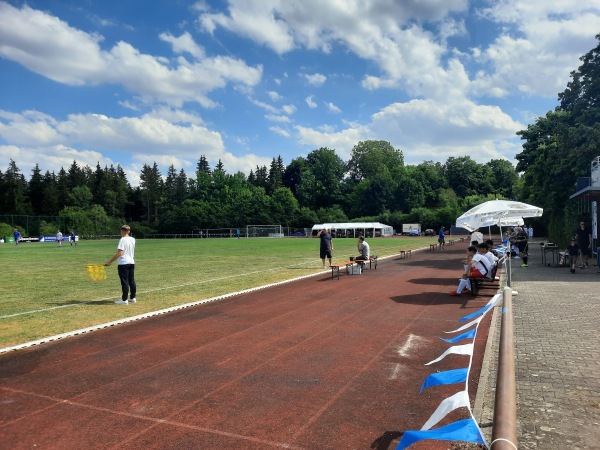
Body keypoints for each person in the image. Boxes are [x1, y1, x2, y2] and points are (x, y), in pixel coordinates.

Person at [105, 225, 137, 305]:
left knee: (124, 282)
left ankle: (124, 299)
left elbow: (120, 253)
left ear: (122, 231)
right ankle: (133, 297)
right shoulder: (133, 239)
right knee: (131, 281)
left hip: (123, 263)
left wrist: (110, 262)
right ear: (129, 231)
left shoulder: (122, 240)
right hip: (131, 262)